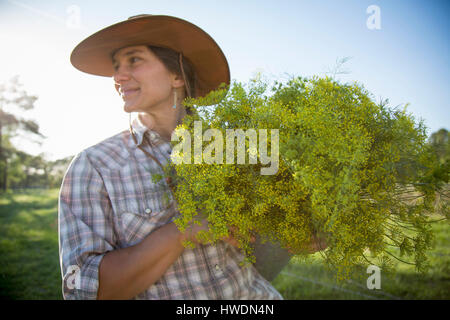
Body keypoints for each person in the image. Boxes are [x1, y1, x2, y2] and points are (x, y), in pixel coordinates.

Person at [58, 14, 285, 300]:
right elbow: (82, 290)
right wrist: (185, 229)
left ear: (177, 74)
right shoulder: (95, 165)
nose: (117, 77)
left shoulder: (234, 147)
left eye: (134, 60)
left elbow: (278, 238)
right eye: (116, 67)